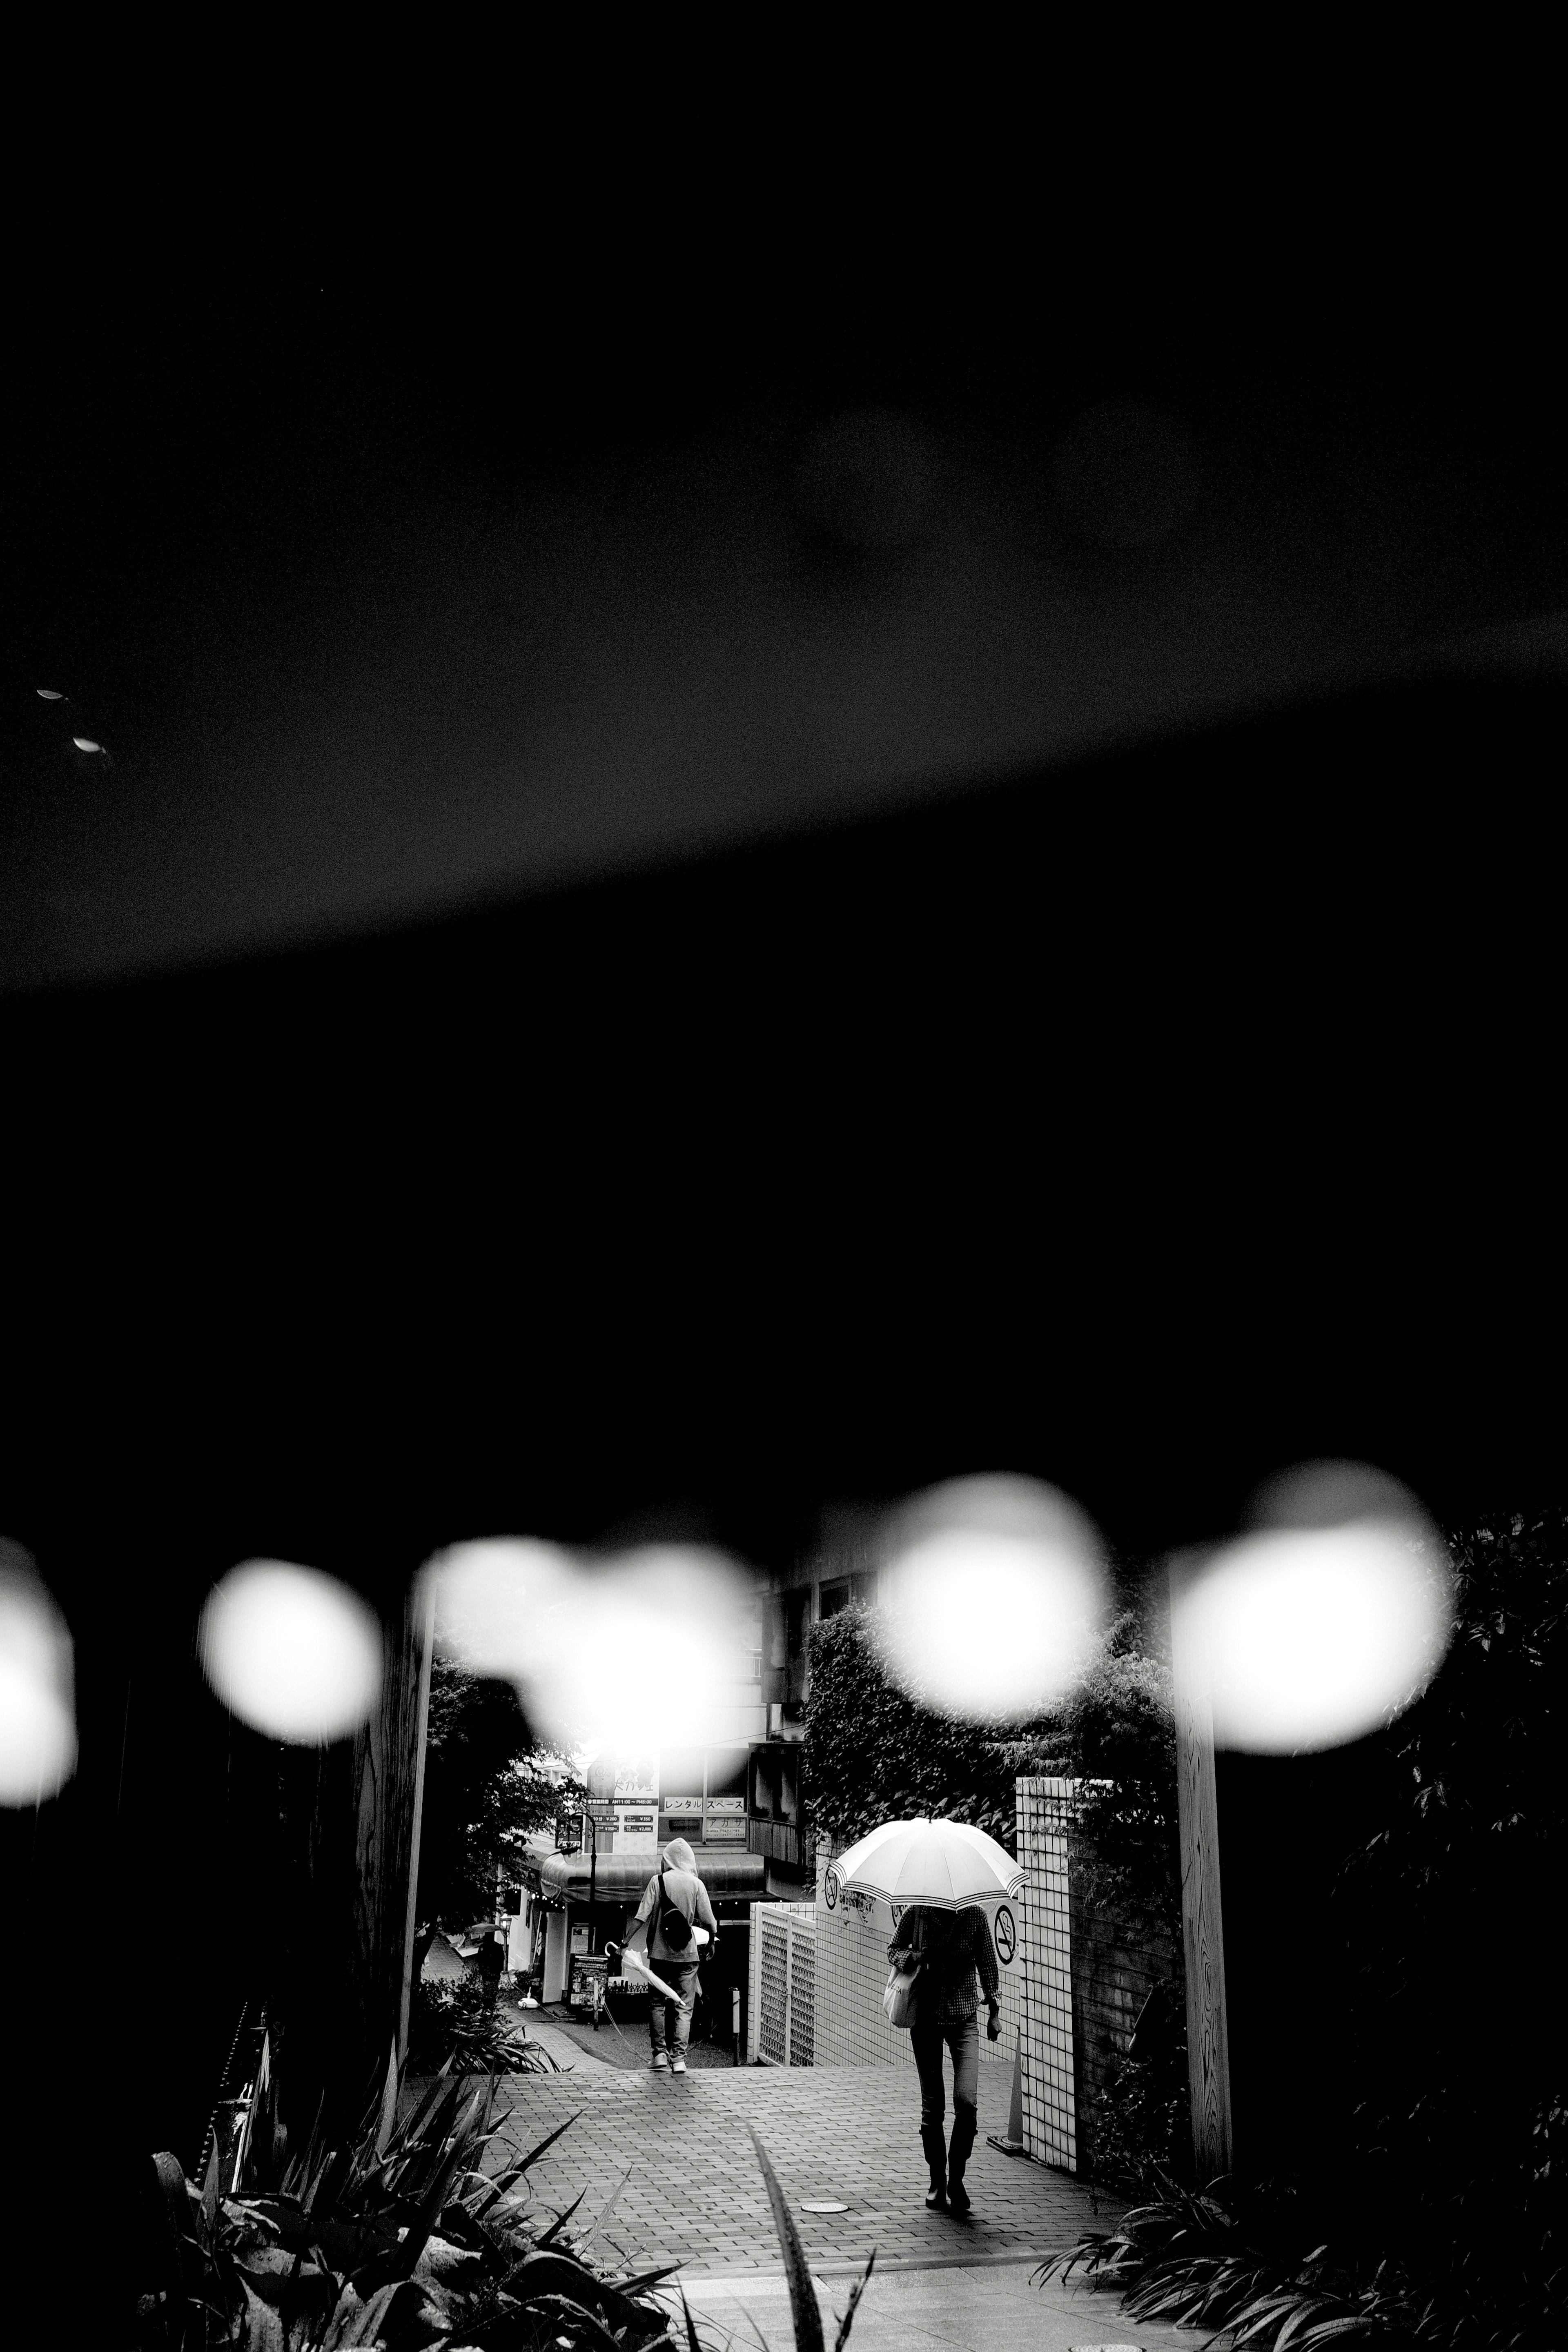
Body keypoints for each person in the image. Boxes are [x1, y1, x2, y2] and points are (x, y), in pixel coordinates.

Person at [886, 1902, 1000, 2216]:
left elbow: (988, 1964)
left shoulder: (975, 1916)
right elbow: (893, 1950)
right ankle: (937, 2178)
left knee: (967, 2101)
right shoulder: (918, 1913)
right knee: (933, 2105)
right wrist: (915, 1957)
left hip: (964, 2018)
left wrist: (994, 2012)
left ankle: (957, 2178)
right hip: (925, 2019)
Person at [627, 1838, 718, 2073]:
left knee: (657, 2004)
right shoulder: (696, 1884)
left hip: (659, 1956)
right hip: (687, 1957)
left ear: (666, 1859)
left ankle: (658, 2055)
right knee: (684, 2007)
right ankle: (678, 2059)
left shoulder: (657, 1882)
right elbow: (709, 1922)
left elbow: (641, 1916)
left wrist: (623, 1943)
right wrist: (710, 1943)